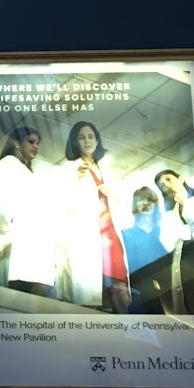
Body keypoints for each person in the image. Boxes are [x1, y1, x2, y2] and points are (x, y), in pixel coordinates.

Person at [58, 119, 131, 312]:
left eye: (91, 136)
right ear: (75, 142)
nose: (87, 141)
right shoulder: (68, 168)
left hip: (110, 235)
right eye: (82, 137)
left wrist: (111, 192)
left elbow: (123, 201)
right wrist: (75, 178)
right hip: (87, 236)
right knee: (89, 294)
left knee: (120, 290)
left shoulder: (107, 169)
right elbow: (61, 203)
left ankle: (126, 327)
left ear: (97, 141)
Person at [0, 125, 61, 296]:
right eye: (31, 142)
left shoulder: (29, 172)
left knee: (39, 291)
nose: (36, 146)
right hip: (24, 238)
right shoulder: (9, 163)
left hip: (38, 239)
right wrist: (11, 219)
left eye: (37, 143)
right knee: (26, 290)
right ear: (17, 143)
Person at [154, 168, 194, 314]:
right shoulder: (171, 214)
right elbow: (168, 243)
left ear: (181, 179)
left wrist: (186, 203)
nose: (166, 185)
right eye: (162, 185)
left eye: (168, 179)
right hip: (187, 263)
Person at [122, 185, 168, 310]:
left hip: (167, 295)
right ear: (135, 205)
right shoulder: (125, 234)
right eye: (141, 199)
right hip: (139, 296)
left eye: (150, 200)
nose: (146, 203)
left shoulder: (164, 232)